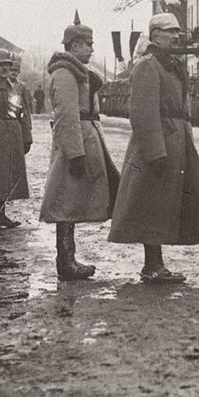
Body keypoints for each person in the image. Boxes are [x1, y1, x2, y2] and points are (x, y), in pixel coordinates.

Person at [108, 13, 199, 282]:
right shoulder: (148, 66)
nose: (175, 36)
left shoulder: (170, 64)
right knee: (153, 202)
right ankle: (153, 265)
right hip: (159, 143)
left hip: (176, 139)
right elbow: (143, 113)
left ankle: (155, 264)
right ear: (155, 35)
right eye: (169, 31)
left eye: (176, 31)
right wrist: (155, 152)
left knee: (175, 200)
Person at [40, 14, 120, 280]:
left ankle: (68, 259)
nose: (92, 49)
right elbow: (67, 116)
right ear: (74, 46)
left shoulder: (75, 72)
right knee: (65, 202)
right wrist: (75, 153)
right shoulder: (64, 74)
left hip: (86, 138)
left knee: (71, 201)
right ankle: (65, 261)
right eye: (88, 44)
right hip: (75, 144)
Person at [0, 49, 29, 229]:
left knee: (9, 176)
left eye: (7, 65)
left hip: (14, 135)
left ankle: (1, 214)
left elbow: (23, 112)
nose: (4, 68)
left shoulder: (15, 89)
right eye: (0, 65)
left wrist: (26, 135)